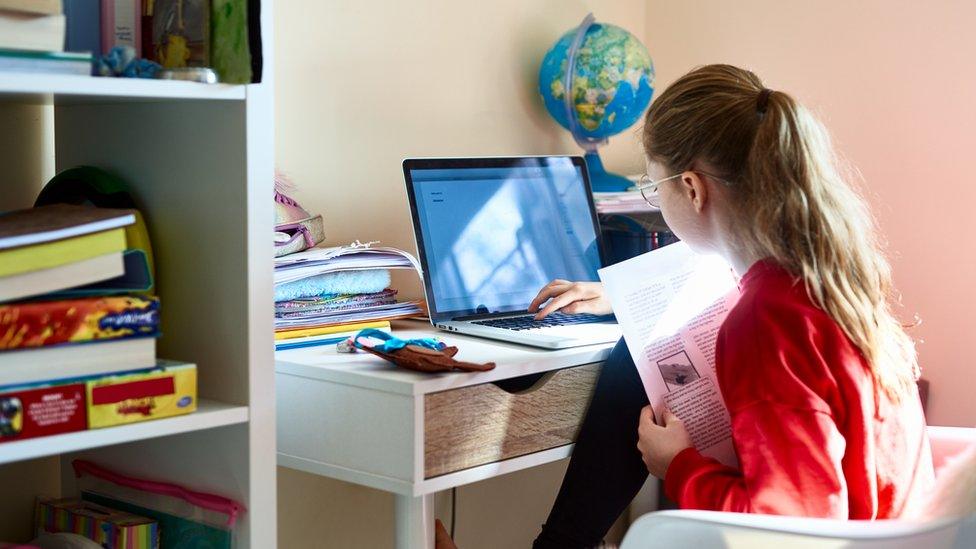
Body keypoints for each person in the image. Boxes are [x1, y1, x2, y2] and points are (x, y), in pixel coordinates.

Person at [529, 64, 935, 548]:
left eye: (654, 188)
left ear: (693, 188)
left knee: (626, 372)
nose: (656, 201)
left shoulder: (766, 321)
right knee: (631, 362)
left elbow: (793, 528)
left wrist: (678, 466)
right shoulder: (829, 280)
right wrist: (622, 299)